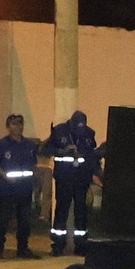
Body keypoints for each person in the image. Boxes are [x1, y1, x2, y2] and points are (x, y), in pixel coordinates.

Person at [43, 110, 100, 256]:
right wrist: (62, 151)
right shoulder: (59, 131)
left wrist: (82, 153)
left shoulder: (89, 133)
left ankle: (81, 245)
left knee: (81, 212)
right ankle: (58, 245)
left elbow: (92, 154)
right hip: (64, 178)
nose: (79, 131)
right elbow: (46, 150)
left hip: (82, 179)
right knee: (61, 211)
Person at [0, 114, 41, 258]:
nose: (18, 127)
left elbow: (33, 165)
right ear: (8, 127)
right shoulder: (1, 145)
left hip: (24, 188)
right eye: (14, 124)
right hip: (7, 189)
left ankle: (23, 248)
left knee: (24, 221)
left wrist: (35, 181)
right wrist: (5, 176)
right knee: (3, 220)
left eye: (20, 123)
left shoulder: (29, 145)